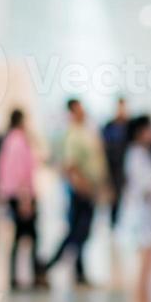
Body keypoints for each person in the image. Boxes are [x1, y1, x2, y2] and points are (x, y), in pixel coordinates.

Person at [44, 98, 107, 287]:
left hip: (90, 190)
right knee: (76, 232)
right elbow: (70, 167)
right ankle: (49, 265)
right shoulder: (72, 135)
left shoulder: (86, 132)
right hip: (81, 191)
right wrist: (83, 188)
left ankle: (79, 272)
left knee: (82, 232)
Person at [120, 115, 151, 302]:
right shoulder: (136, 154)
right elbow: (146, 185)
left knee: (149, 262)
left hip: (147, 213)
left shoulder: (144, 154)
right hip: (141, 214)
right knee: (144, 262)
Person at [0, 108, 42, 290]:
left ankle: (19, 276)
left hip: (14, 194)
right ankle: (31, 275)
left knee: (23, 236)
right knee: (27, 236)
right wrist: (25, 198)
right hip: (21, 196)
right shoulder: (18, 142)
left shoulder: (9, 141)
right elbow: (20, 172)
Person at [101, 98, 130, 227]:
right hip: (113, 170)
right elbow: (105, 148)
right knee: (114, 201)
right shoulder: (109, 126)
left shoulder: (129, 126)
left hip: (126, 168)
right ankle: (113, 227)